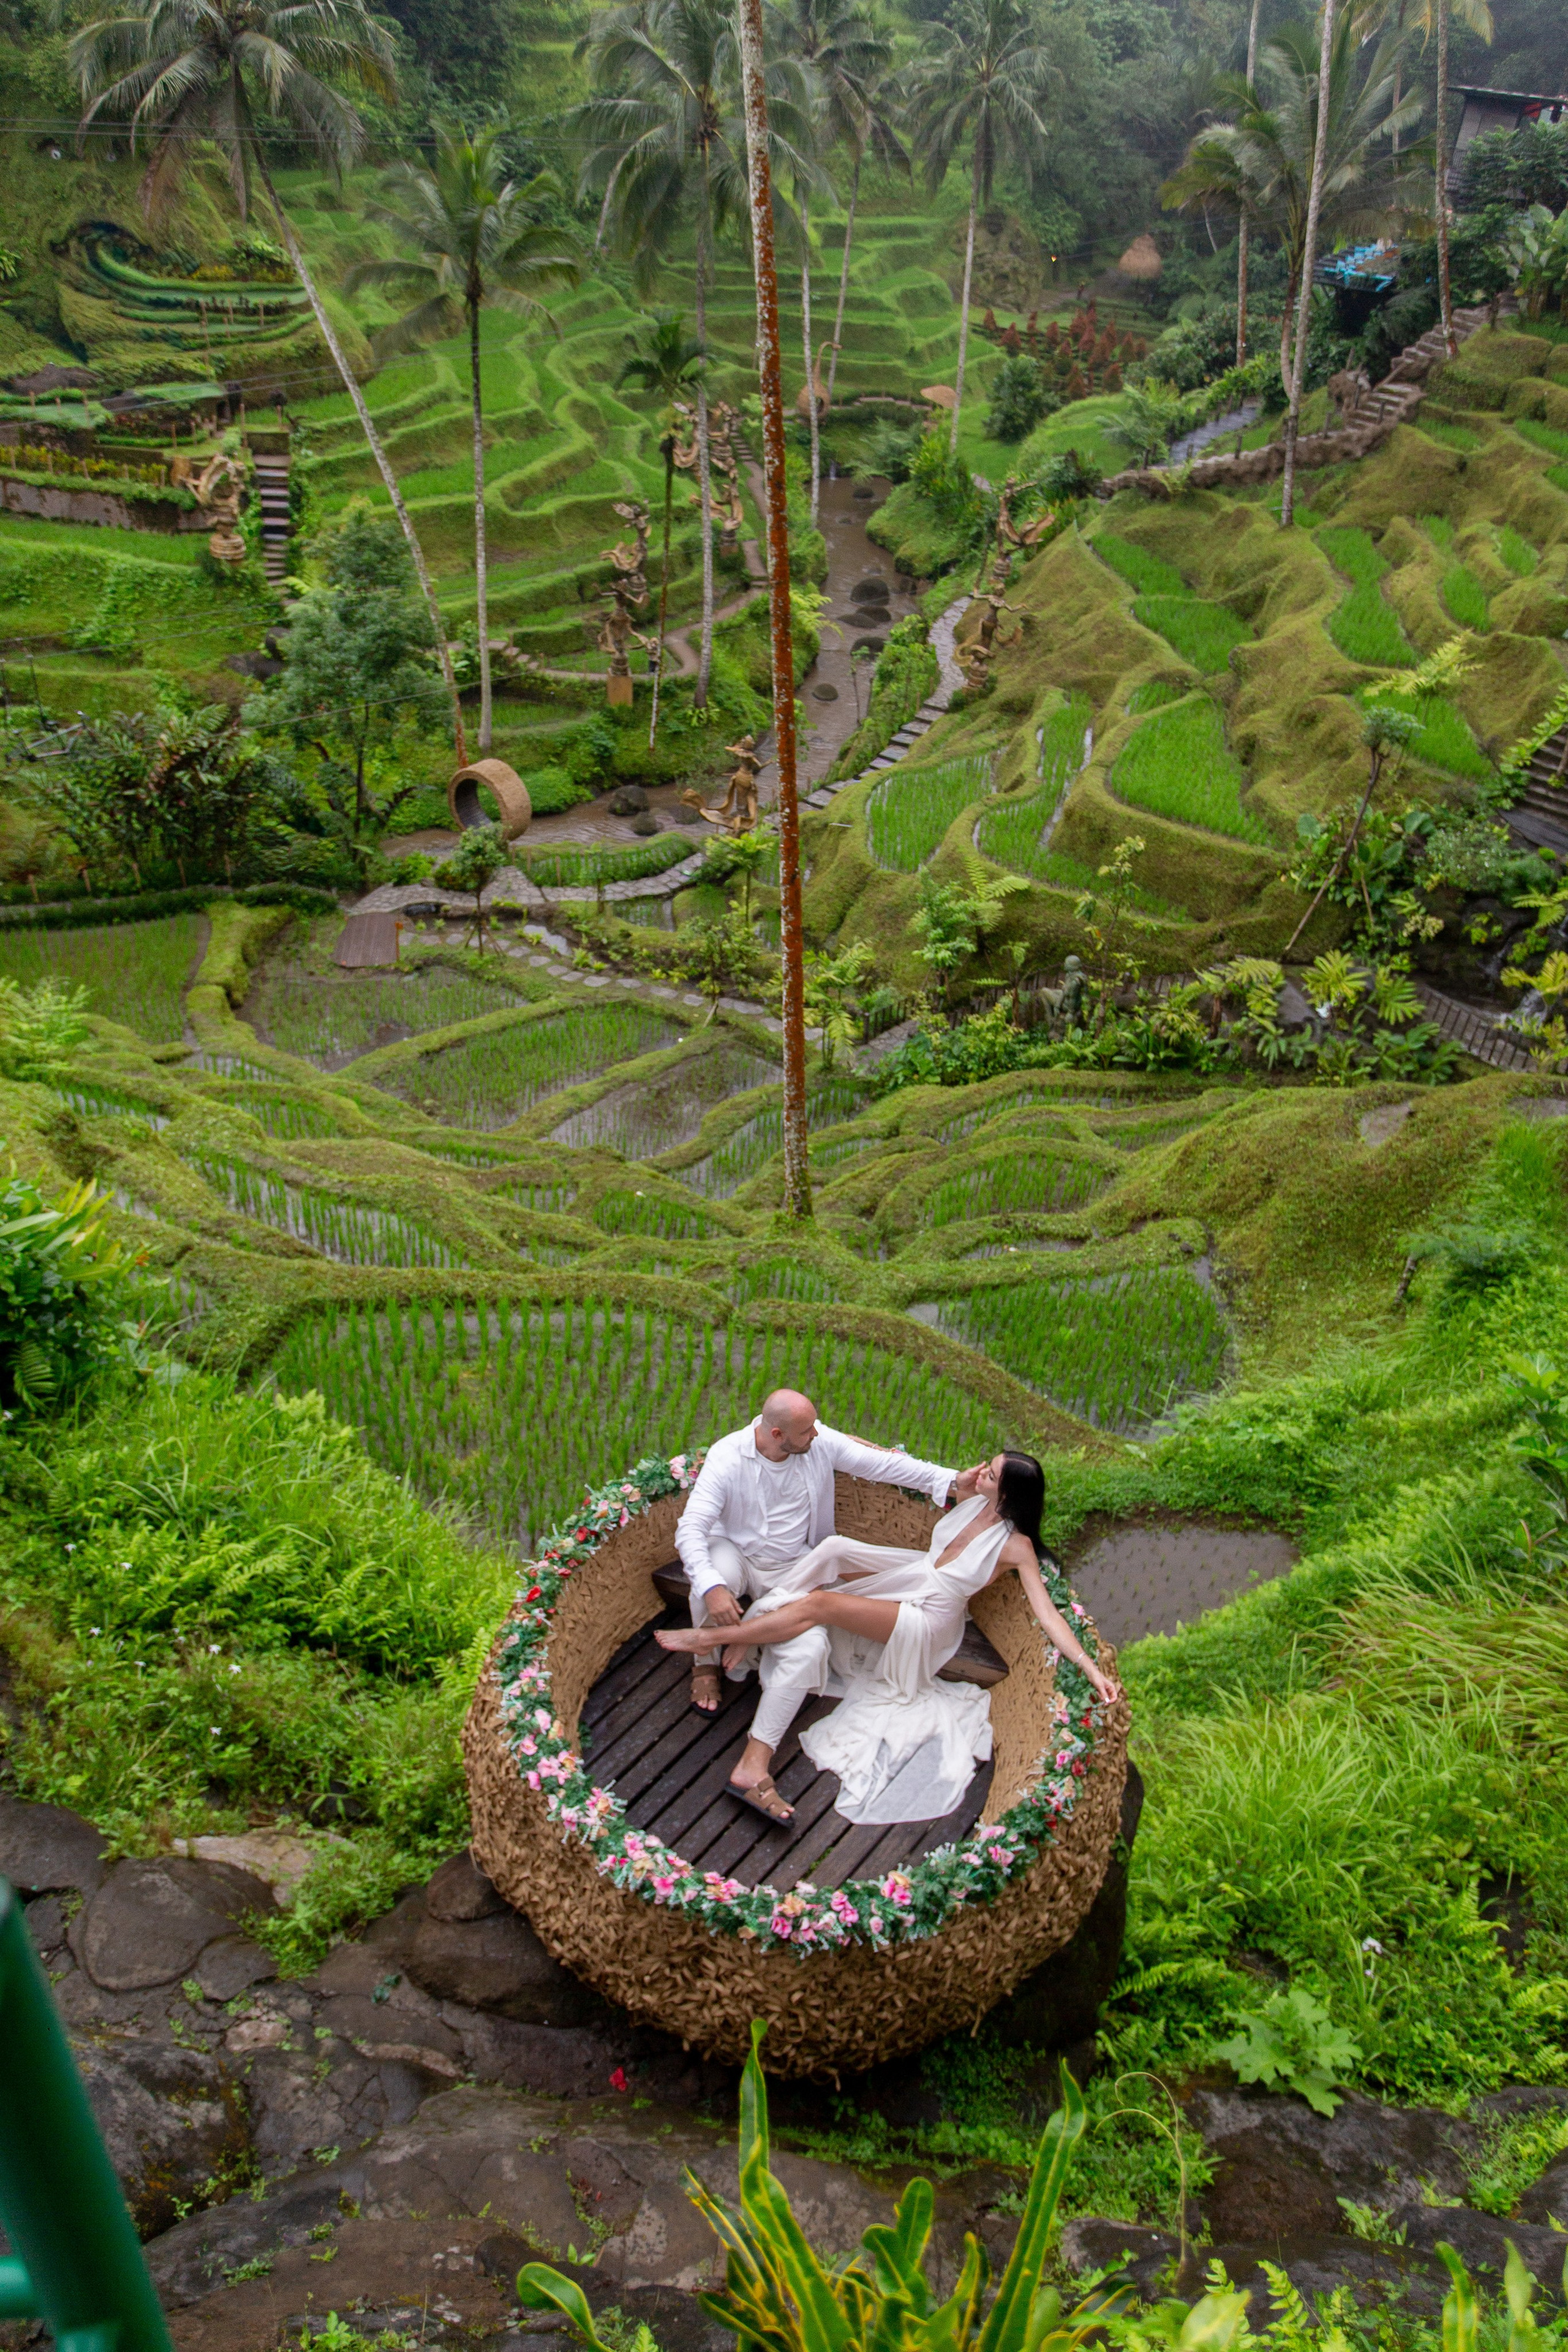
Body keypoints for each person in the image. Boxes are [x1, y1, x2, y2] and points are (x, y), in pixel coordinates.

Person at [659, 1450, 1121, 1826]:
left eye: (992, 1472)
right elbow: (888, 1460)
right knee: (835, 1549)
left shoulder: (1015, 1546)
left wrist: (1089, 1666)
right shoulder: (972, 1498)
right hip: (914, 1574)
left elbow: (1047, 1615)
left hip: (930, 1618)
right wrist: (829, 1438)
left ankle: (718, 1636)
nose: (981, 1470)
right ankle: (752, 1627)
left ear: (1006, 1493)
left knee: (824, 1605)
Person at [674, 1390, 977, 1822]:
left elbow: (882, 1464)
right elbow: (692, 1529)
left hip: (797, 1565)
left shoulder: (817, 1443)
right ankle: (704, 1664)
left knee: (812, 1649)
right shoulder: (728, 1458)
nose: (817, 1434)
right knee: (711, 1574)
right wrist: (712, 1588)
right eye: (806, 1429)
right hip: (737, 1552)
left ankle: (752, 1765)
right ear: (776, 1434)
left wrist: (949, 1481)